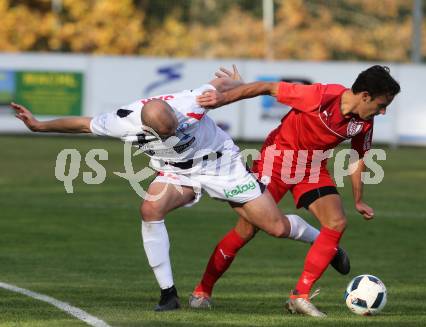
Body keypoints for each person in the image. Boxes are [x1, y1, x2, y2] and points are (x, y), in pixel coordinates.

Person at [10, 66, 346, 312]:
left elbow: (219, 84)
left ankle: (324, 244)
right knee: (150, 208)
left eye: (175, 129)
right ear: (147, 126)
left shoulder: (189, 103)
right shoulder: (123, 120)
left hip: (222, 166)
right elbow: (83, 124)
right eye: (166, 133)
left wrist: (232, 81)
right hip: (177, 173)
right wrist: (39, 125)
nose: (174, 135)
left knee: (275, 227)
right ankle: (168, 294)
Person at [192, 65, 400, 317]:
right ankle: (202, 291)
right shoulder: (321, 96)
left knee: (336, 222)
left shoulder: (364, 122)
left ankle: (299, 296)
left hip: (312, 168)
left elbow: (357, 157)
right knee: (246, 229)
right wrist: (223, 98)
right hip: (276, 161)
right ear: (365, 96)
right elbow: (267, 87)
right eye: (381, 104)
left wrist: (359, 199)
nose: (383, 111)